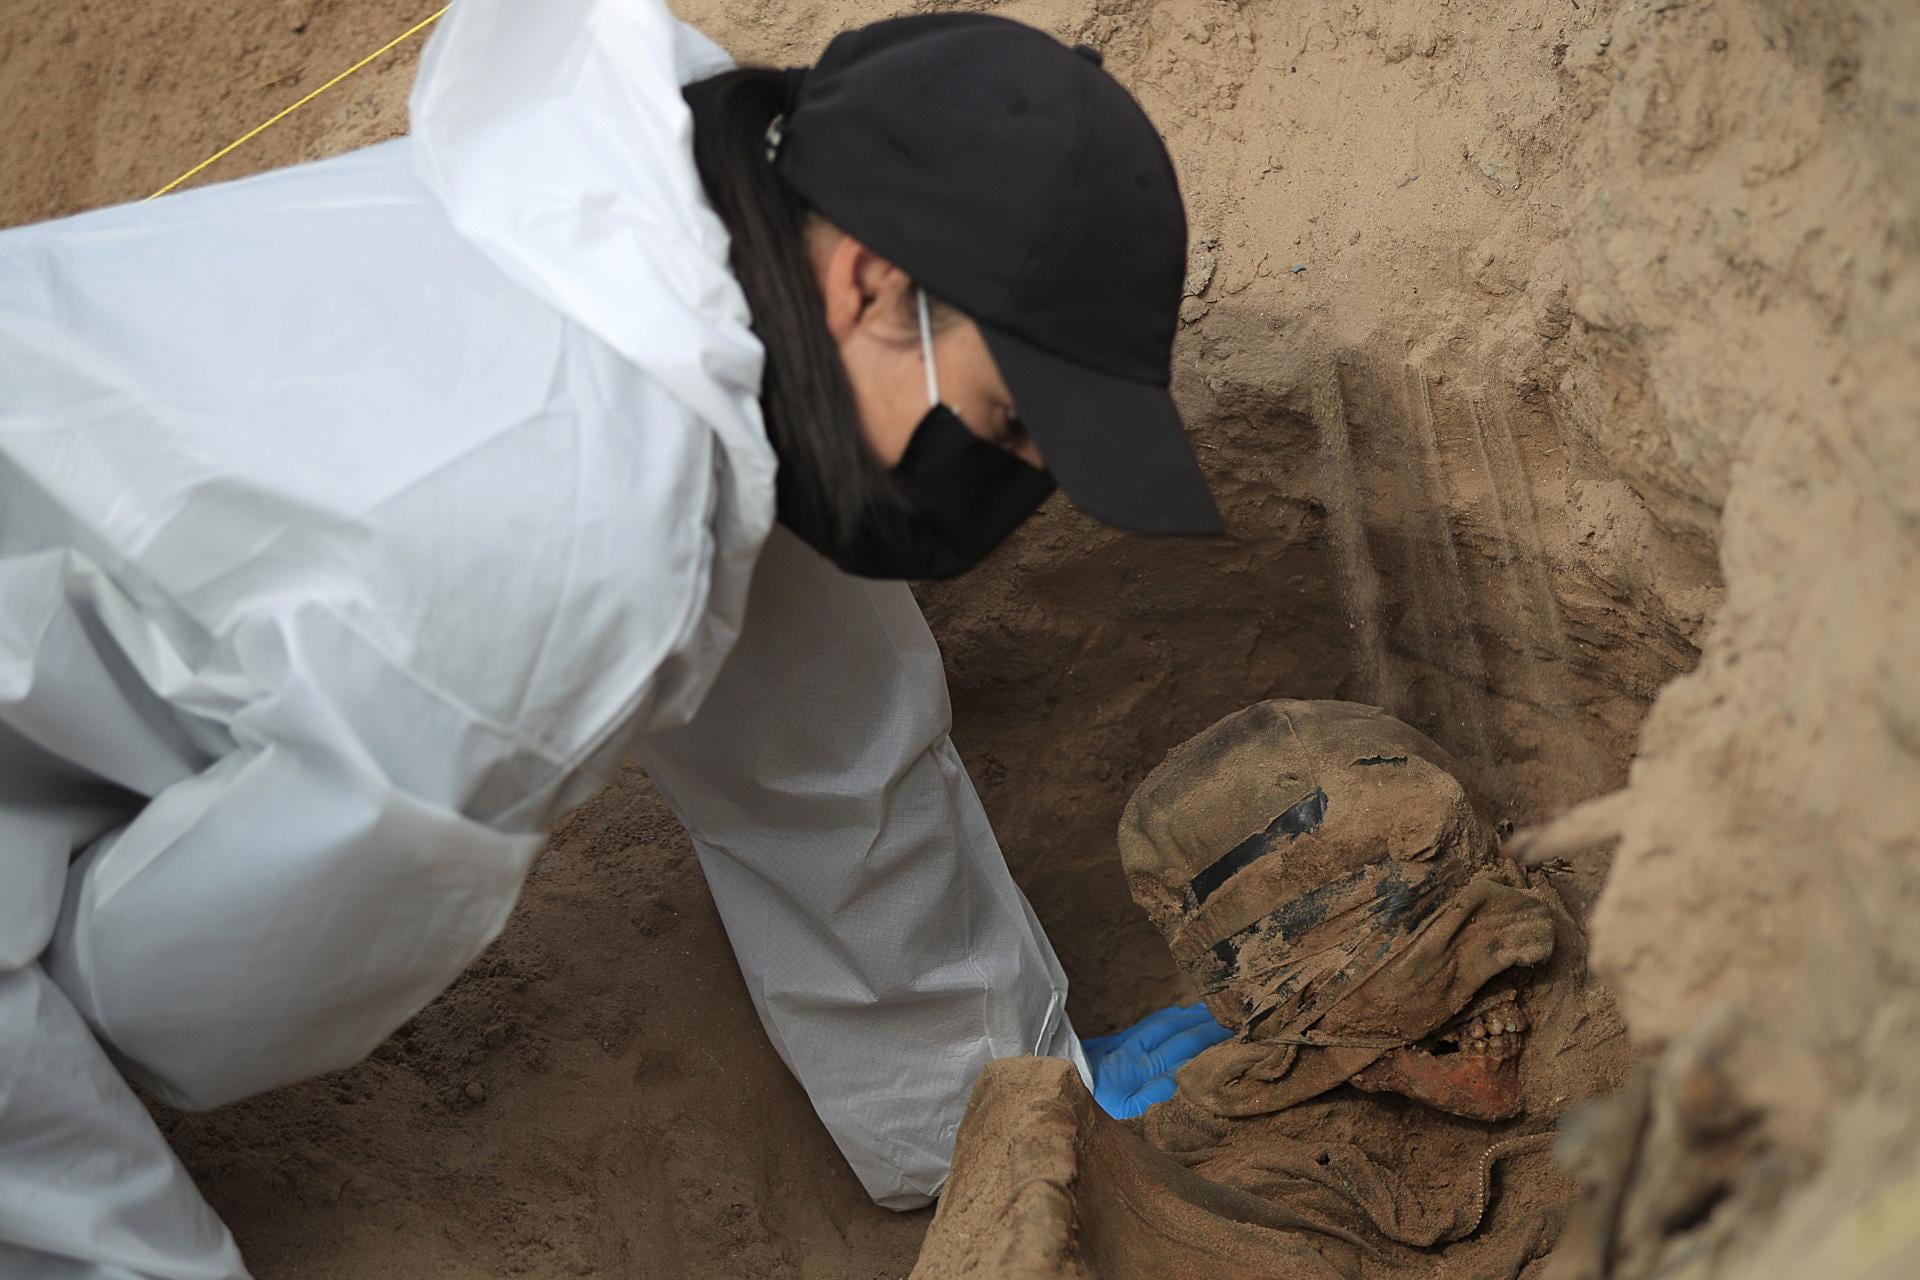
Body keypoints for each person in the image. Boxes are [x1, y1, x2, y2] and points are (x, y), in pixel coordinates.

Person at [0, 2, 1233, 1276]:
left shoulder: (693, 230)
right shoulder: (554, 567)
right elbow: (187, 1002)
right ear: (872, 282)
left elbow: (823, 721)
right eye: (1009, 423)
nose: (1013, 479)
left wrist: (1002, 1107)